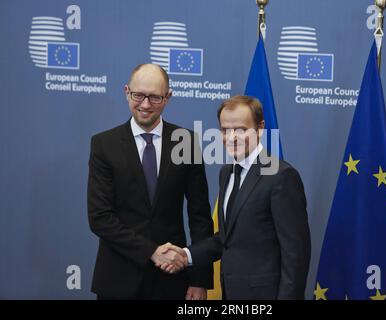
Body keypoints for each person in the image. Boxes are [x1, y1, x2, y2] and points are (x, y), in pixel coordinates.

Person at [162, 95, 311, 299]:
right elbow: (227, 239)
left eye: (241, 129)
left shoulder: (281, 176)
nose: (232, 137)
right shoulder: (227, 173)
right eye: (225, 130)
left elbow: (296, 254)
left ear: (260, 128)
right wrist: (185, 255)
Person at [87, 63, 213, 300]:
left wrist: (199, 280)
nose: (145, 105)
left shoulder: (185, 141)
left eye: (155, 97)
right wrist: (152, 252)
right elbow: (100, 218)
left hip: (173, 280)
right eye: (138, 95)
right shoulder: (104, 144)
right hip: (117, 279)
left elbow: (200, 217)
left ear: (168, 97)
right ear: (127, 92)